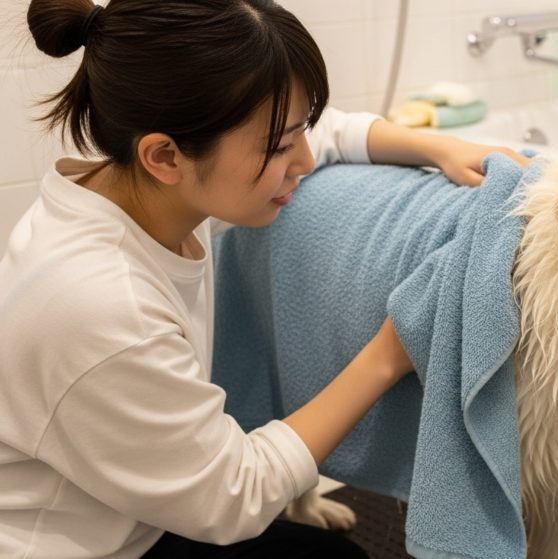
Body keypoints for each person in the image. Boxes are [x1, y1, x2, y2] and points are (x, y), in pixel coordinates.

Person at [0, 0, 528, 557]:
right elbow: (234, 498)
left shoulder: (136, 192)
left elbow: (325, 136)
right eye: (279, 147)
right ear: (164, 156)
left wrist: (439, 147)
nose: (301, 159)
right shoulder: (103, 305)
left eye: (297, 131)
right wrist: (390, 352)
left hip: (131, 514)